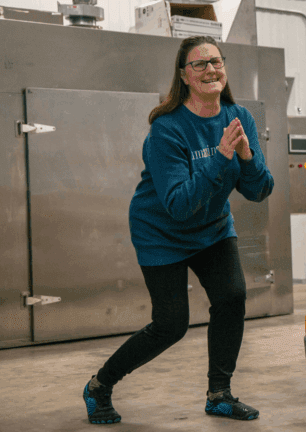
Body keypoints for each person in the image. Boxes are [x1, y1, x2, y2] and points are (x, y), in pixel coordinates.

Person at [82, 36, 274, 424]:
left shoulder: (240, 118)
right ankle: (100, 384)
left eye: (216, 62)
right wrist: (220, 157)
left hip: (214, 228)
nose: (210, 70)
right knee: (170, 325)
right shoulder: (167, 130)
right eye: (199, 65)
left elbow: (259, 190)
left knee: (232, 295)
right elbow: (180, 206)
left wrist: (246, 157)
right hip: (162, 231)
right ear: (184, 76)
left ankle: (219, 393)